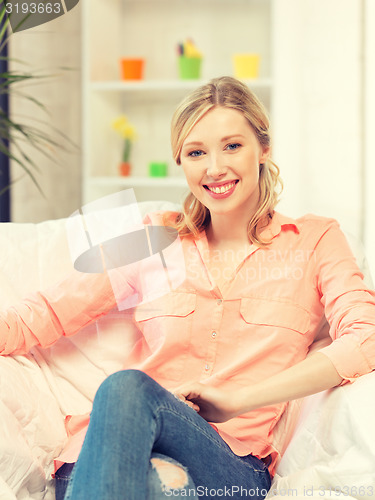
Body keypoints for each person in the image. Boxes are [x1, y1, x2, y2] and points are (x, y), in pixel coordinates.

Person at [1, 76, 375, 500]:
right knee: (155, 478)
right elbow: (46, 313)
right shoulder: (153, 239)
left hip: (227, 463)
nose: (214, 167)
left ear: (264, 149)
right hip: (108, 452)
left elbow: (365, 339)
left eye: (232, 146)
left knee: (126, 389)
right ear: (181, 162)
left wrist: (239, 399)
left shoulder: (316, 240)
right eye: (197, 152)